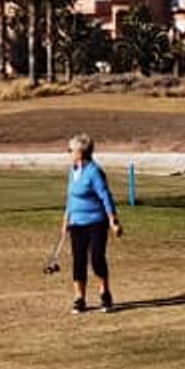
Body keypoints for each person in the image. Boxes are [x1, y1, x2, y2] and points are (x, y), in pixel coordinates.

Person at [60, 133, 121, 313]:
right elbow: (70, 197)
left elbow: (105, 196)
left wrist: (113, 221)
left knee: (96, 258)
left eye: (70, 150)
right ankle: (80, 298)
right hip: (76, 223)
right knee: (78, 261)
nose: (68, 152)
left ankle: (105, 294)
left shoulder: (94, 172)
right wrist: (65, 220)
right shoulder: (73, 170)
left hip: (96, 222)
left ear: (81, 152)